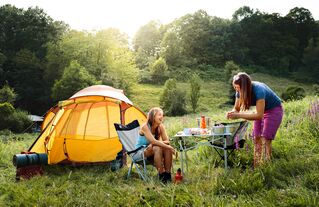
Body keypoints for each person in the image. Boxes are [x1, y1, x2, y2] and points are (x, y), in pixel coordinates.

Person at [226, 72, 283, 167]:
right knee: (256, 138)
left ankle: (266, 166)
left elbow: (259, 116)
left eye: (238, 88)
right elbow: (236, 108)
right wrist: (232, 113)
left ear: (245, 87)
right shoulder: (239, 91)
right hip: (260, 111)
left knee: (265, 139)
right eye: (235, 87)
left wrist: (239, 115)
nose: (236, 90)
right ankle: (257, 166)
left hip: (274, 110)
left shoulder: (259, 90)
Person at [135, 107, 175, 182]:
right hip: (140, 152)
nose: (162, 117)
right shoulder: (145, 127)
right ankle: (161, 176)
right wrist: (156, 144)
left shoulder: (161, 126)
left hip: (152, 150)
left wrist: (165, 146)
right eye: (159, 115)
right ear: (153, 116)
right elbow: (153, 141)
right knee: (158, 147)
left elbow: (167, 141)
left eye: (162, 115)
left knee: (165, 148)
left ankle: (167, 175)